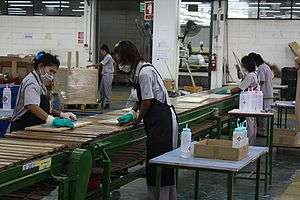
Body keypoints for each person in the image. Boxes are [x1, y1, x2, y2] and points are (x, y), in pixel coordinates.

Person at [114, 41, 178, 200]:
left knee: (160, 164)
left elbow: (147, 101)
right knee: (158, 163)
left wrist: (136, 121)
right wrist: (132, 112)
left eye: (121, 61)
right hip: (156, 121)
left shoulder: (144, 73)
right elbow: (141, 99)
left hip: (163, 122)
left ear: (127, 57)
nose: (120, 65)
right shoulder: (140, 70)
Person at [10, 52, 76, 132]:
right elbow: (32, 106)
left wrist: (61, 114)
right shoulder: (31, 82)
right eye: (51, 71)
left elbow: (45, 109)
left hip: (34, 127)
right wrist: (53, 121)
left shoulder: (41, 83)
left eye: (54, 73)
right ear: (41, 66)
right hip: (21, 128)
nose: (52, 75)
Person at [231, 56, 259, 145]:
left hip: (248, 102)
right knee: (252, 122)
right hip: (252, 100)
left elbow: (240, 88)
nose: (242, 65)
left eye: (243, 64)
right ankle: (252, 142)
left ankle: (249, 144)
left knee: (250, 123)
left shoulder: (250, 76)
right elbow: (242, 78)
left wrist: (228, 91)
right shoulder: (253, 74)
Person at [87, 44, 115, 109]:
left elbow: (100, 64)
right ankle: (102, 100)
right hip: (104, 75)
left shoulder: (108, 57)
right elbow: (114, 63)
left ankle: (107, 102)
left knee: (107, 89)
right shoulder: (106, 57)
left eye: (101, 51)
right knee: (101, 89)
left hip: (108, 75)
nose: (101, 53)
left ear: (104, 51)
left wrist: (91, 66)